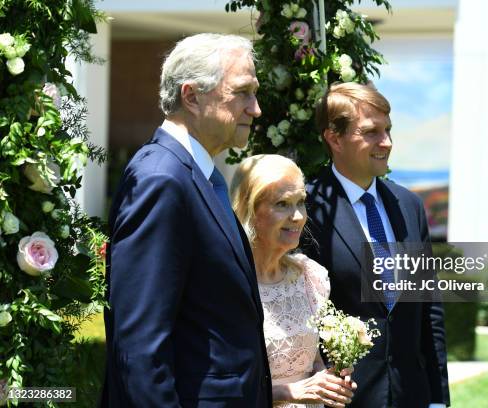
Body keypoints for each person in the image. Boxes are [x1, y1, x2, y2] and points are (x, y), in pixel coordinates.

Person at [100, 33, 272, 407]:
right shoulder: (161, 180)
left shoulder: (198, 174)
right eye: (242, 92)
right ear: (192, 96)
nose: (255, 108)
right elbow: (140, 350)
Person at [302, 82, 450, 408]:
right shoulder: (306, 209)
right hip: (342, 399)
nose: (387, 142)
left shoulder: (408, 204)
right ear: (334, 138)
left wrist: (438, 398)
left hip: (412, 395)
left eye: (388, 130)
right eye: (371, 132)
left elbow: (428, 311)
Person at [230, 154, 355, 408]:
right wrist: (287, 392)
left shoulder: (310, 277)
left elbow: (314, 361)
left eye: (301, 202)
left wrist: (331, 382)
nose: (298, 216)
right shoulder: (228, 285)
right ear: (249, 209)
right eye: (283, 204)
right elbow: (221, 383)